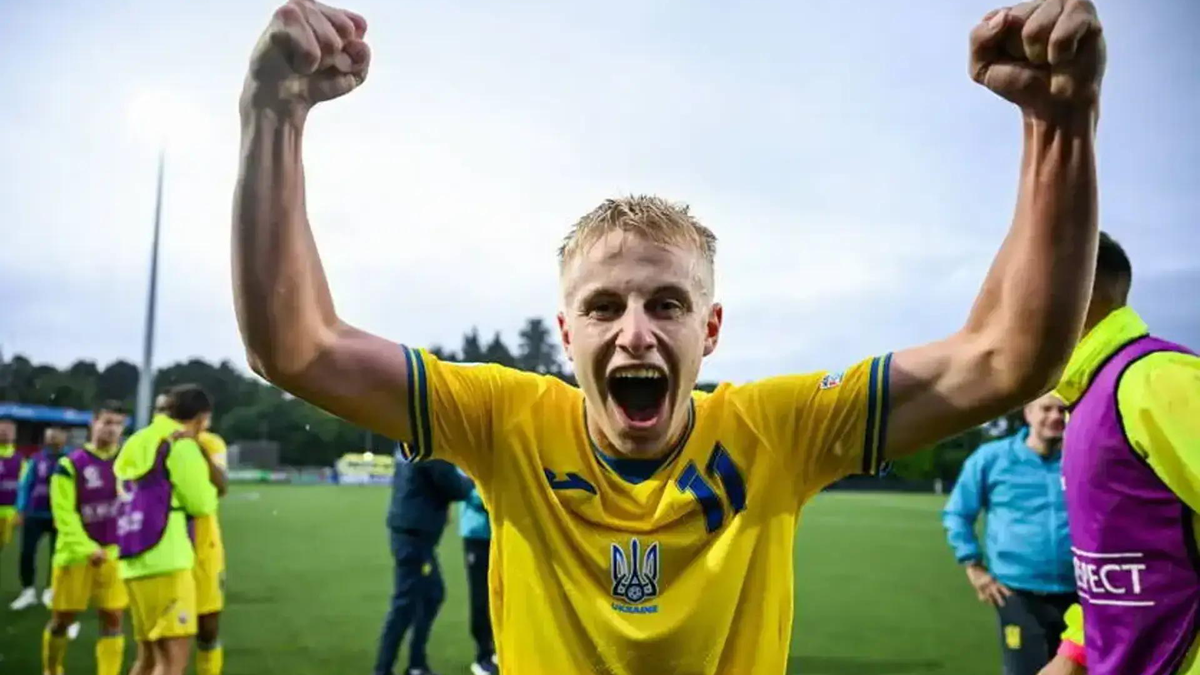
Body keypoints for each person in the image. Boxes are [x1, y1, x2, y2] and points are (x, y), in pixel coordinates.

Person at [232, 1, 1106, 672]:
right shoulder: (505, 420)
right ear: (566, 331)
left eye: (667, 304)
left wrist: (1062, 124)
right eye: (604, 307)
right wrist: (272, 116)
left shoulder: (777, 430)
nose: (635, 334)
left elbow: (1009, 356)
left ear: (710, 328)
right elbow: (293, 346)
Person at [1036, 233, 1200, 675]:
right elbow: (1111, 567)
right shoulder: (1086, 400)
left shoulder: (1156, 379)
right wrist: (1074, 654)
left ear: (1061, 290)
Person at [943, 392, 1076, 674]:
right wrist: (973, 565)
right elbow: (957, 513)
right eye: (1046, 409)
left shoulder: (1083, 458)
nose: (1055, 416)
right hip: (1018, 594)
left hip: (1080, 595)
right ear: (1028, 413)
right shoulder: (992, 458)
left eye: (1062, 410)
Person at [115, 384, 219, 675]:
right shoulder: (180, 443)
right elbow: (201, 503)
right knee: (172, 663)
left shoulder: (138, 438)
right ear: (201, 417)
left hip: (132, 555)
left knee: (146, 659)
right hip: (167, 558)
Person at [42, 402, 130, 675]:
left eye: (118, 424)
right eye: (107, 422)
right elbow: (63, 515)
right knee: (62, 620)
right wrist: (87, 548)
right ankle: (52, 669)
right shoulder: (70, 464)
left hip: (115, 555)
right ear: (93, 423)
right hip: (75, 555)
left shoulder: (128, 465)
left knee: (113, 618)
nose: (112, 429)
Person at [375, 453, 473, 675]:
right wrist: (474, 479)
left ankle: (416, 663)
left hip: (411, 531)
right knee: (405, 602)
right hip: (414, 535)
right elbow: (454, 487)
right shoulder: (430, 450)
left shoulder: (411, 444)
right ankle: (384, 669)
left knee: (431, 595)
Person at [12, 426, 70, 611]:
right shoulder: (36, 459)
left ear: (65, 437)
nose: (52, 439)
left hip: (60, 516)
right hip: (34, 514)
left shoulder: (71, 460)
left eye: (56, 435)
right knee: (27, 553)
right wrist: (21, 509)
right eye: (49, 436)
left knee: (58, 556)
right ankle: (28, 591)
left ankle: (51, 589)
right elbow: (25, 485)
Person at [194, 419, 231, 675]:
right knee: (163, 633)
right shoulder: (153, 443)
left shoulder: (211, 443)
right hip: (163, 547)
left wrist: (199, 451)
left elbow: (221, 486)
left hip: (204, 546)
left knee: (207, 627)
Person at [458, 473, 496, 675]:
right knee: (480, 597)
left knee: (501, 595)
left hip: (499, 534)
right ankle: (482, 655)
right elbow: (467, 491)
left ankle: (497, 648)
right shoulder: (469, 460)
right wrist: (497, 498)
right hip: (477, 536)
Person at [0, 417, 21, 569]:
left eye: (8, 430)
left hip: (10, 512)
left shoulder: (20, 460)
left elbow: (23, 488)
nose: (4, 433)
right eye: (2, 430)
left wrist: (20, 511)